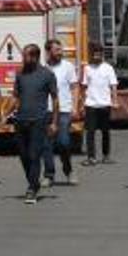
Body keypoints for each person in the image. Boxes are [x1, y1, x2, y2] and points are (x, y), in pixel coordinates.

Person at [4, 44, 58, 205]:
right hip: (20, 121)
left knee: (34, 155)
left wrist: (54, 122)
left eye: (26, 56)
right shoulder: (20, 75)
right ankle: (34, 182)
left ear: (35, 57)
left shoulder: (47, 75)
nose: (23, 59)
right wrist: (4, 114)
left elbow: (55, 99)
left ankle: (31, 189)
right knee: (24, 155)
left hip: (39, 121)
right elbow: (15, 97)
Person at [42, 39, 81, 187]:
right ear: (49, 51)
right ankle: (49, 175)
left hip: (64, 110)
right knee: (47, 145)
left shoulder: (68, 67)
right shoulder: (43, 69)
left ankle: (68, 170)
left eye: (61, 49)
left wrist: (75, 107)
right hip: (46, 111)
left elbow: (74, 87)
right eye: (57, 50)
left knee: (63, 142)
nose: (60, 52)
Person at [80, 44, 120, 166]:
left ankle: (106, 156)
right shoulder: (87, 68)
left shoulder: (108, 68)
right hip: (91, 105)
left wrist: (115, 101)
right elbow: (84, 87)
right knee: (90, 132)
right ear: (91, 54)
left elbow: (113, 85)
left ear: (102, 54)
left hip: (105, 104)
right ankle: (91, 157)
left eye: (98, 53)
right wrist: (82, 104)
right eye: (94, 53)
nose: (96, 55)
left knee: (105, 132)